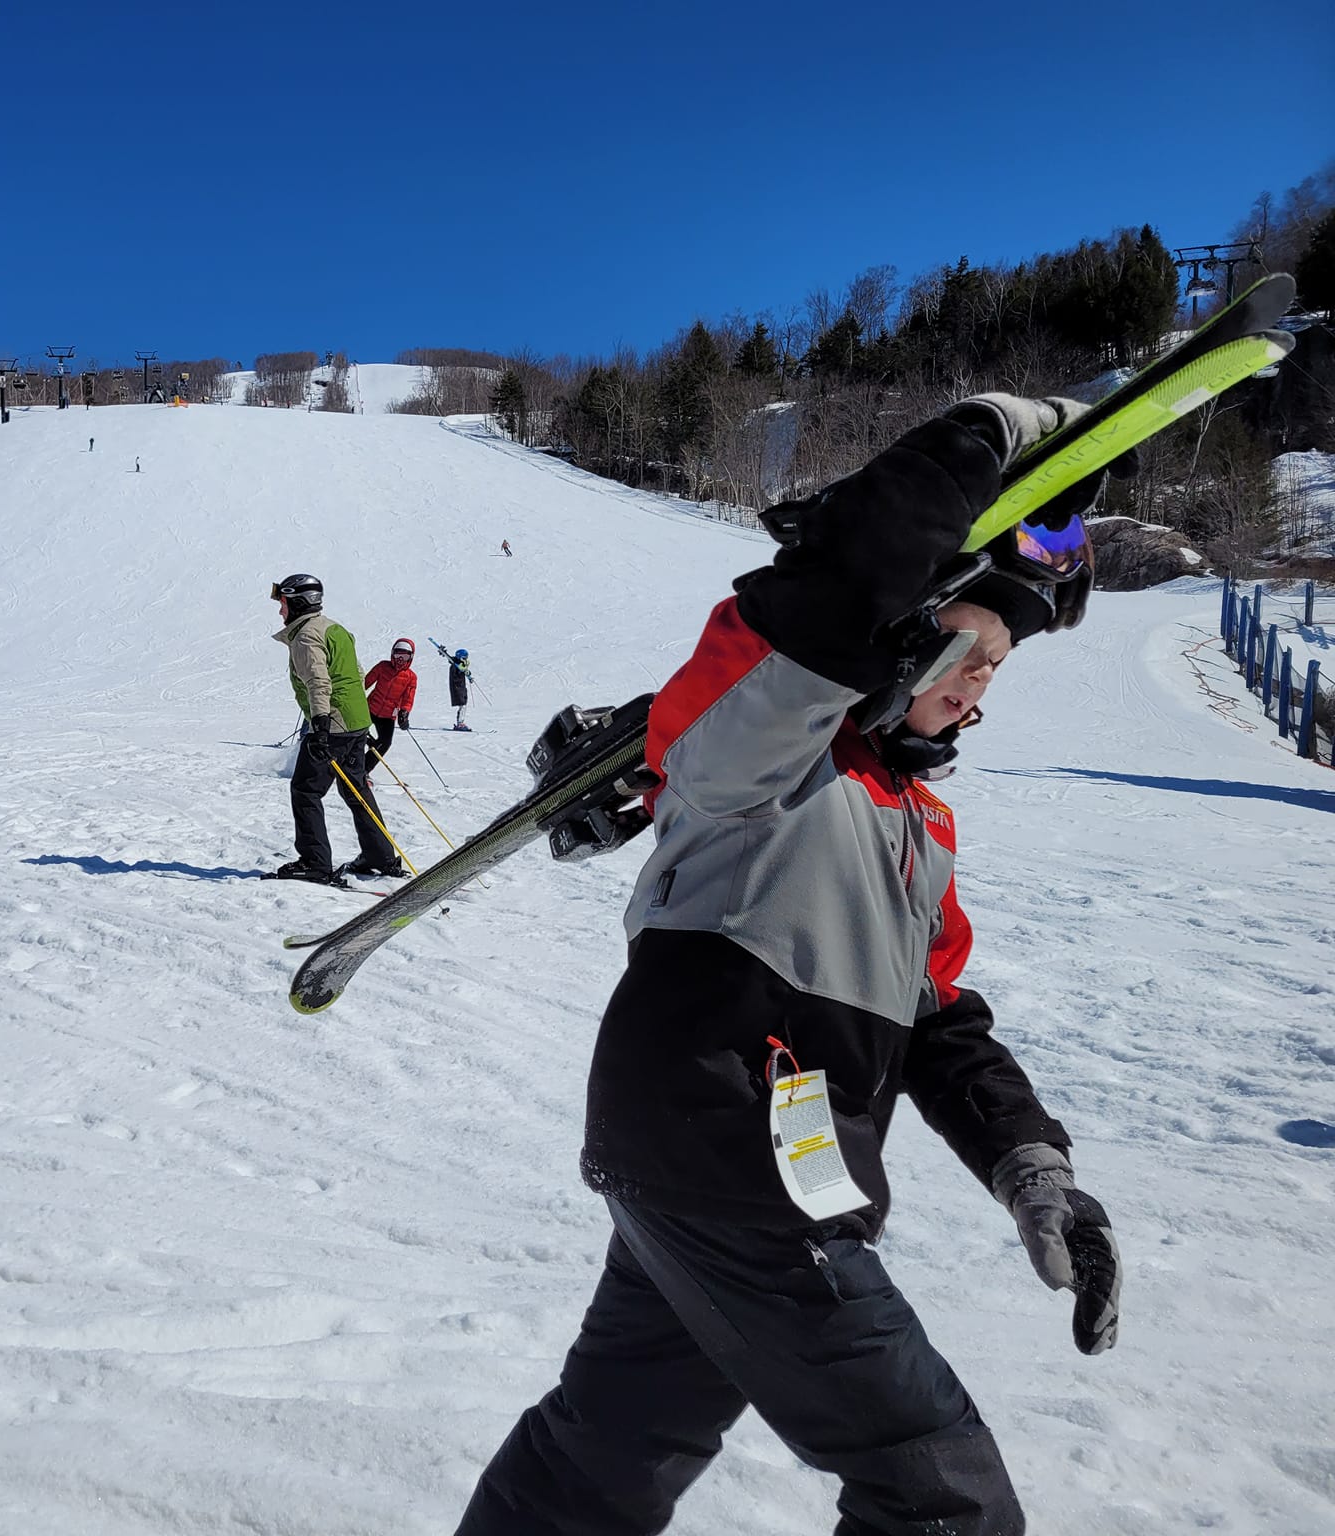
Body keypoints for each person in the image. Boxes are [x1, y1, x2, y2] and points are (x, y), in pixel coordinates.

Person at [455, 394, 1118, 1536]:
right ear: (904, 629)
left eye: (997, 671)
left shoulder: (914, 823)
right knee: (936, 1492)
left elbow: (941, 1018)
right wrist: (981, 438)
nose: (976, 690)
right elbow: (819, 614)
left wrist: (1031, 1165)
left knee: (607, 1450)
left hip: (716, 1172)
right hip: (730, 1164)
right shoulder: (753, 761)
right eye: (968, 652)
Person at [267, 573, 403, 884]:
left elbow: (318, 681)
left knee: (305, 790)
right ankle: (379, 856)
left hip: (334, 722)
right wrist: (358, 724)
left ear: (298, 603)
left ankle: (315, 863)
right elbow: (355, 673)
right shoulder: (334, 628)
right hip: (354, 721)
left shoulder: (305, 637)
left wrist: (321, 728)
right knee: (354, 788)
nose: (280, 611)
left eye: (283, 603)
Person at [361, 637, 418, 779]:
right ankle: (351, 762)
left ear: (410, 657)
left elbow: (408, 697)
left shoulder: (411, 677)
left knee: (385, 743)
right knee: (357, 734)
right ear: (392, 653)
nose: (400, 659)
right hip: (371, 708)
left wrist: (404, 712)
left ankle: (364, 769)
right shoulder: (383, 667)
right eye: (398, 654)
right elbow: (366, 683)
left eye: (405, 656)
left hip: (388, 715)